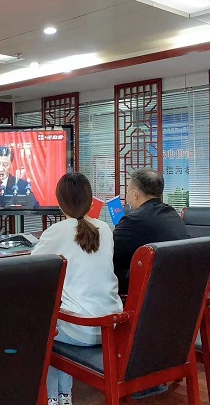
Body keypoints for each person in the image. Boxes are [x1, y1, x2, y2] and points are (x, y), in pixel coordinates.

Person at [31, 172, 122, 405]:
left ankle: (53, 398)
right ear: (90, 202)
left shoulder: (56, 232)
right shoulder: (105, 229)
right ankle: (64, 396)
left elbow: (32, 268)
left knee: (43, 324)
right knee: (58, 318)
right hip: (111, 325)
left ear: (60, 203)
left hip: (81, 329)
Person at [113, 167, 190, 295]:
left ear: (135, 194)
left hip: (149, 290)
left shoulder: (134, 220)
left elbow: (107, 252)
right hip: (176, 287)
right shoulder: (172, 214)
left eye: (127, 190)